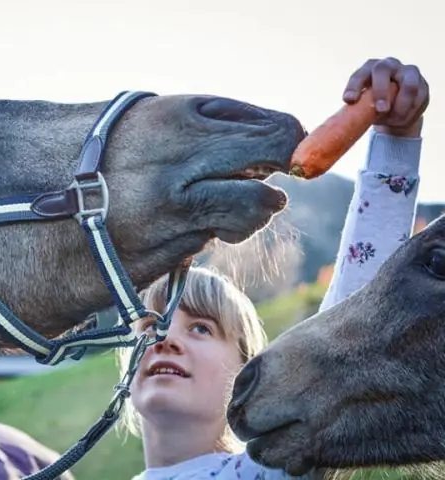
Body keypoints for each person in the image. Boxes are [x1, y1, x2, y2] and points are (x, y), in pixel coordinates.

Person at [115, 56, 429, 480]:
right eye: (149, 326)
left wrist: (394, 144)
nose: (165, 340)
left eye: (202, 328)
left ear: (249, 369)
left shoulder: (269, 470)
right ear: (124, 376)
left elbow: (359, 301)